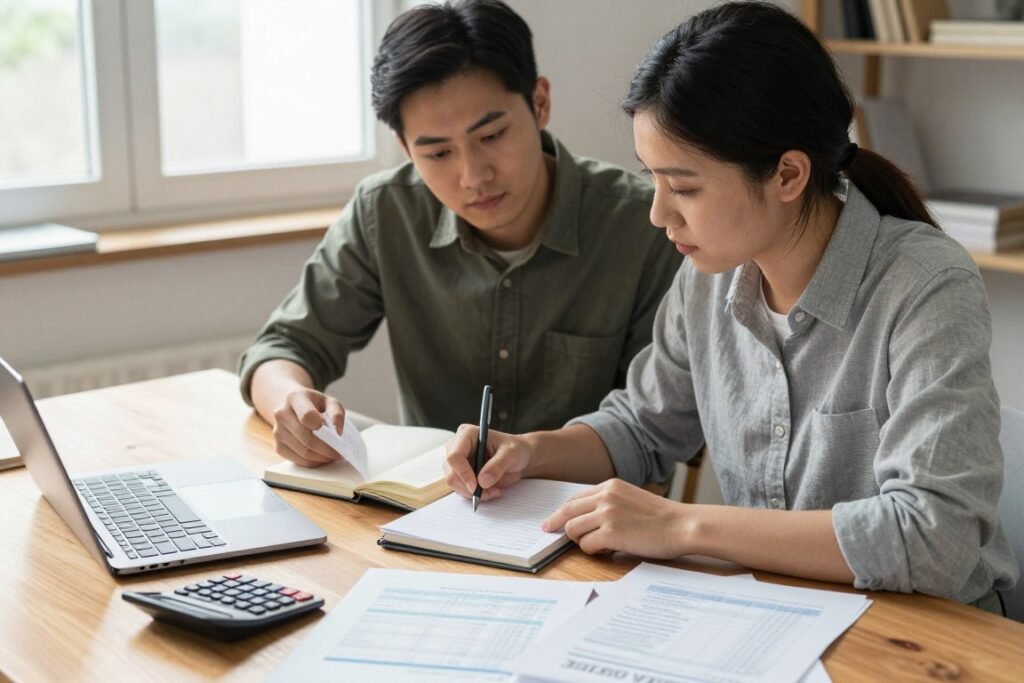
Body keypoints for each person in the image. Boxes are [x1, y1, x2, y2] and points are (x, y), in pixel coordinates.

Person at [444, 1, 1018, 611]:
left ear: (789, 175)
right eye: (653, 180)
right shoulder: (707, 277)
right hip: (774, 615)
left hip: (928, 634)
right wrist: (532, 451)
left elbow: (934, 536)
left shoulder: (925, 284)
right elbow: (643, 426)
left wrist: (684, 526)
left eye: (684, 186)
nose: (659, 213)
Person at [239, 0, 682, 468]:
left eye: (491, 136)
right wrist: (291, 404)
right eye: (437, 154)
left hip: (587, 518)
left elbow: (653, 428)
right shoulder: (386, 212)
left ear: (539, 103)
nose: (473, 176)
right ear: (405, 148)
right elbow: (283, 347)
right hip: (427, 510)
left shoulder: (643, 225)